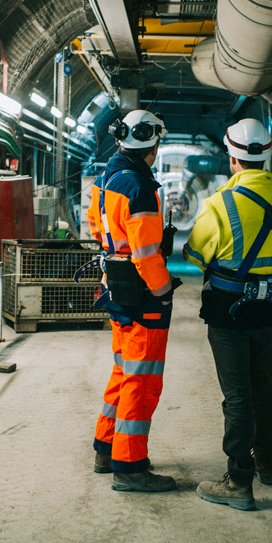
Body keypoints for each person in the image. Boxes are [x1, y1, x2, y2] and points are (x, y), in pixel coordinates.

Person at [183, 117, 272, 510]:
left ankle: (238, 481)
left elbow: (197, 253)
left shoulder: (220, 203)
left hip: (228, 314)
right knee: (262, 388)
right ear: (267, 158)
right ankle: (266, 462)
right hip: (268, 311)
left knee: (237, 397)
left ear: (232, 159)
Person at [86, 109, 178, 493]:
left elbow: (96, 225)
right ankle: (130, 467)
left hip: (116, 291)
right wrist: (163, 291)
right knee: (141, 382)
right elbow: (145, 252)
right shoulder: (141, 187)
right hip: (142, 298)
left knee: (122, 373)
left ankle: (105, 449)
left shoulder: (105, 179)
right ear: (153, 146)